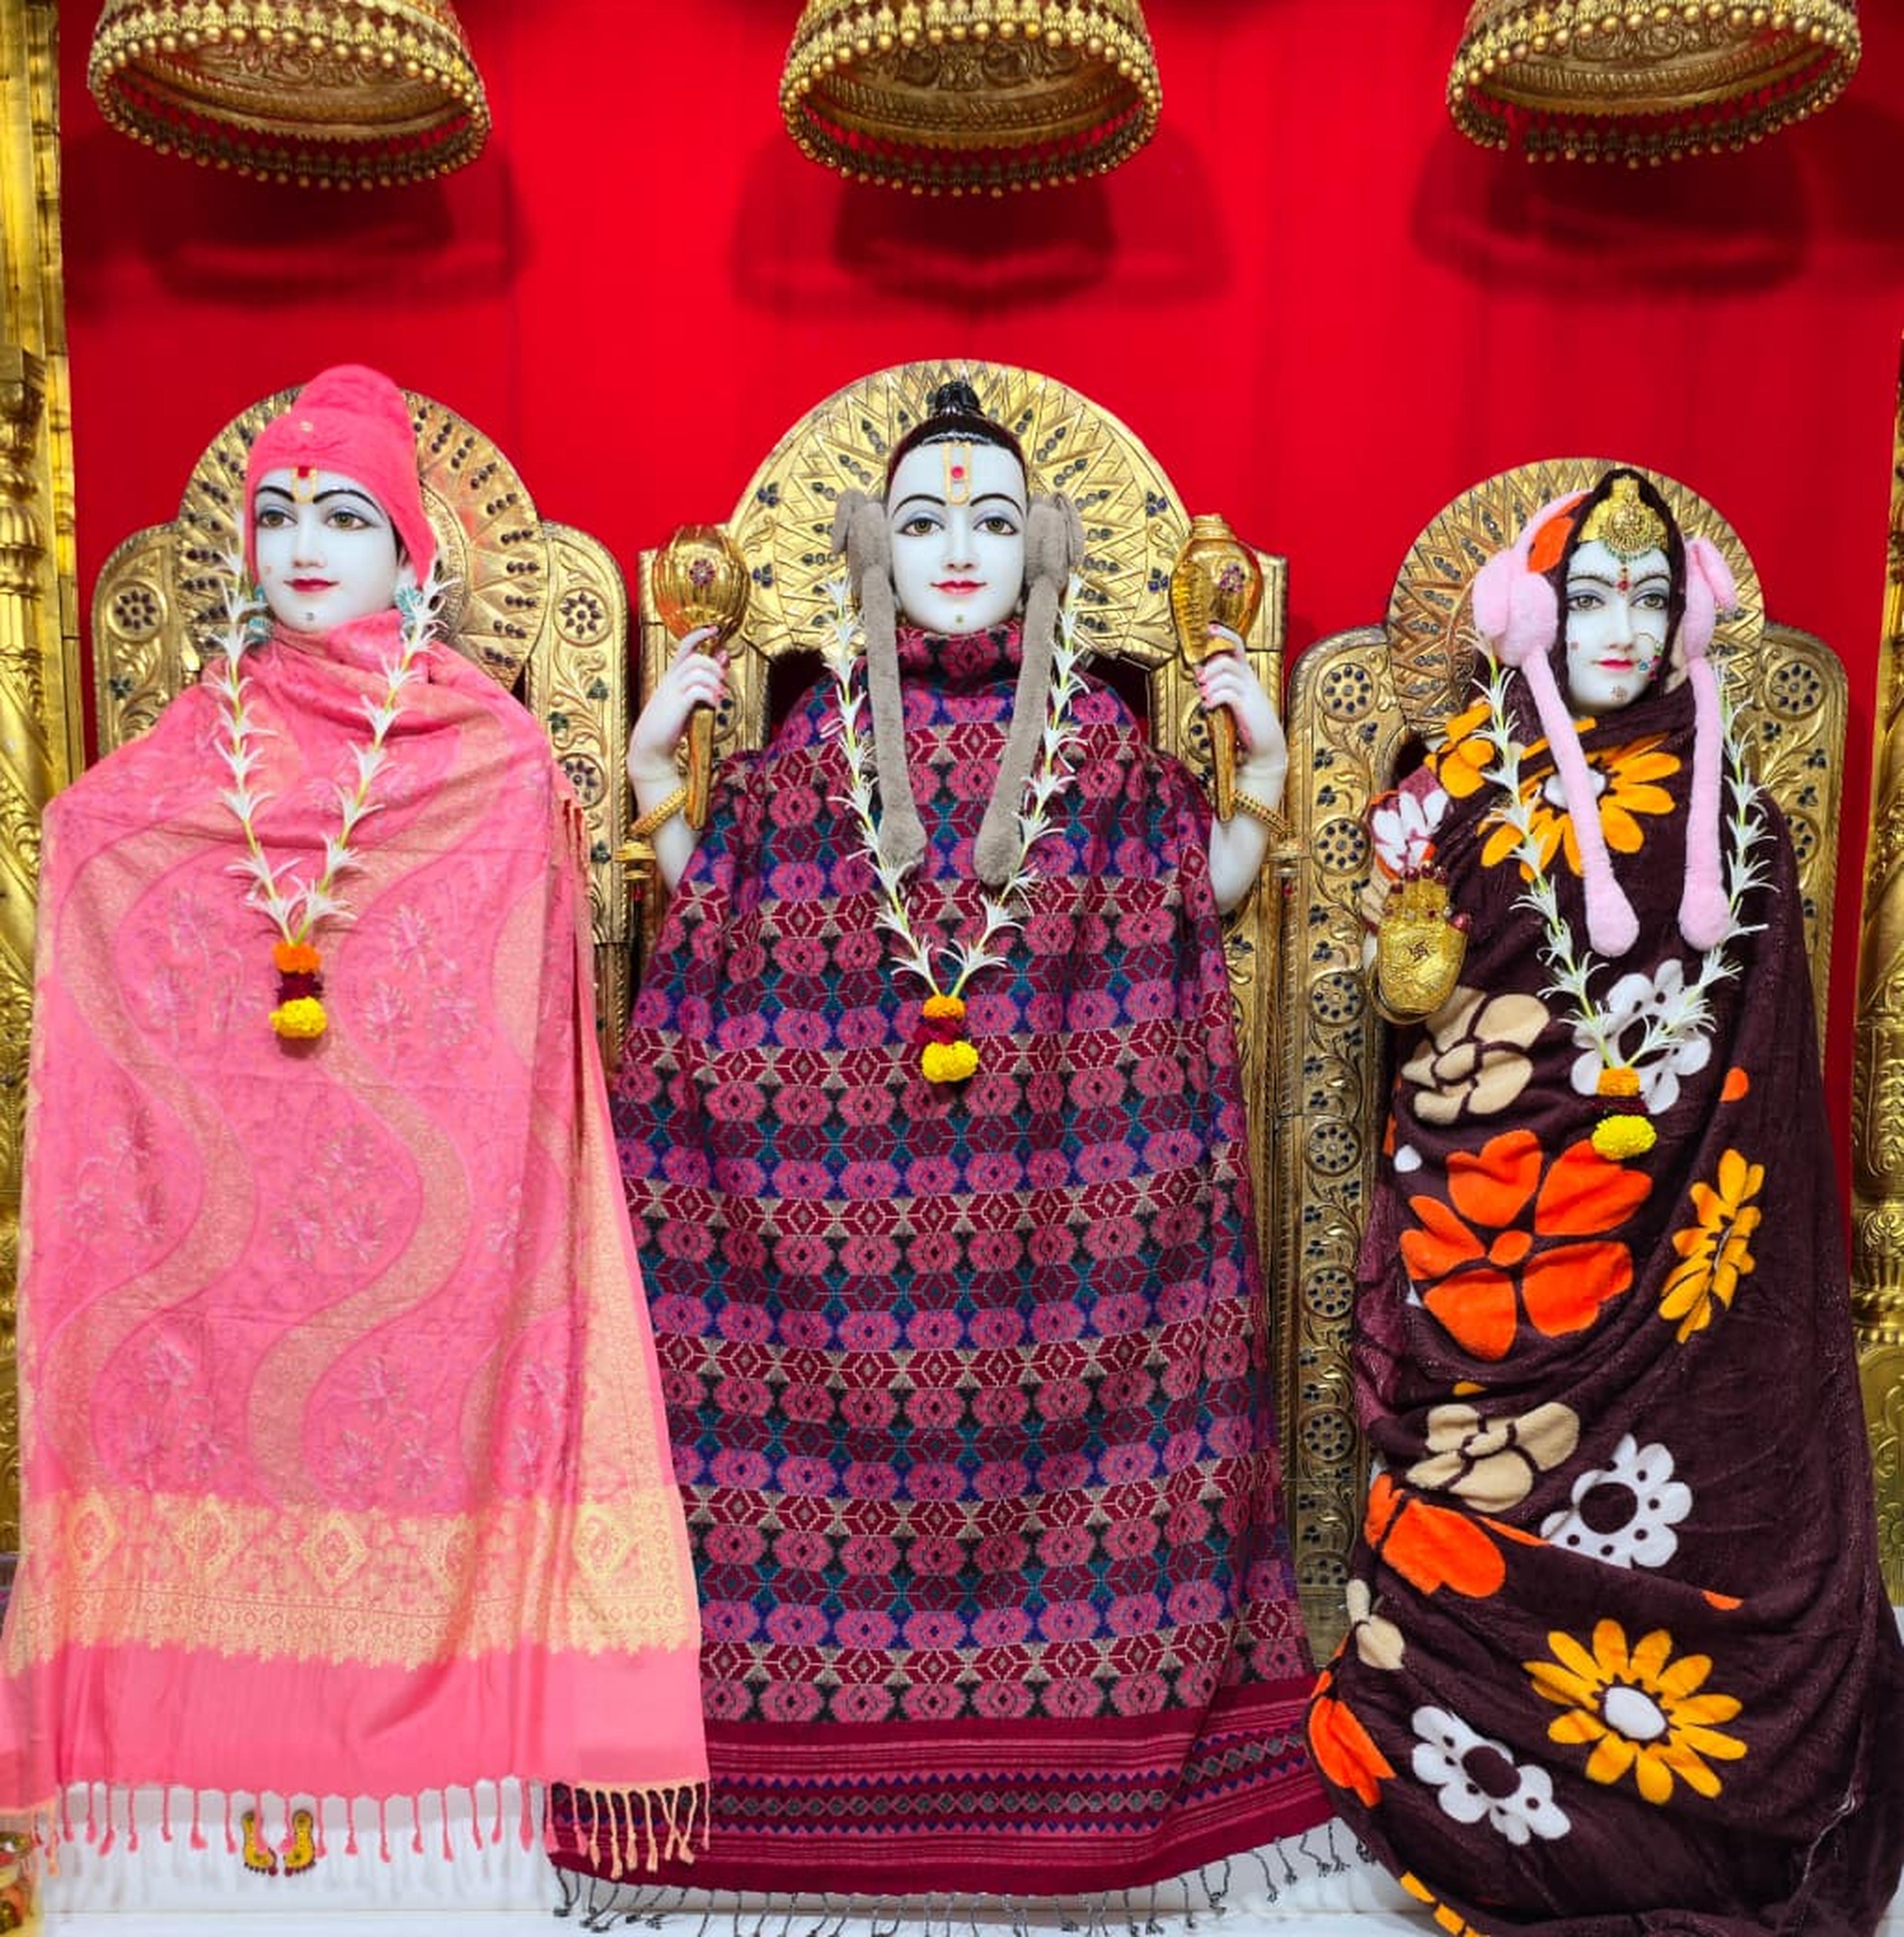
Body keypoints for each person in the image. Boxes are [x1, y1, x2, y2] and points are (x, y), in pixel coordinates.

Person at [561, 379, 1329, 1895]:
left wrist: (1258, 771)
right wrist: (655, 777)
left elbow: (1200, 895)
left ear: (1041, 547)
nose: (958, 550)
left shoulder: (1096, 746)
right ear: (874, 551)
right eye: (922, 523)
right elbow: (722, 915)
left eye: (989, 522)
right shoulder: (818, 745)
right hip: (830, 1268)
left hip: (1064, 1254)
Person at [0, 365, 706, 1875]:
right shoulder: (185, 758)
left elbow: (528, 1051)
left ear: (411, 553)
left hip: (437, 1261)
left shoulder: (493, 764)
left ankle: (440, 1799)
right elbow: (106, 855)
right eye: (277, 515)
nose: (305, 546)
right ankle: (198, 1794)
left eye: (344, 516)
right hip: (229, 1252)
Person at [1313, 467, 1904, 1935]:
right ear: (1535, 616)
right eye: (1591, 600)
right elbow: (1416, 1004)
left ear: (1688, 620)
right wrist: (1406, 910)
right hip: (1499, 1230)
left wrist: (1694, 1221)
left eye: (1648, 600)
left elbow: (1767, 1061)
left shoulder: (1743, 818)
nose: (1622, 630)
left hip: (1690, 1243)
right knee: (1470, 1466)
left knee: (1704, 1463)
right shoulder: (1462, 789)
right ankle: (1470, 1788)